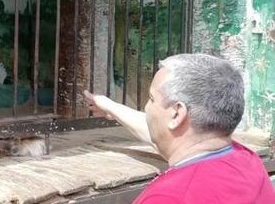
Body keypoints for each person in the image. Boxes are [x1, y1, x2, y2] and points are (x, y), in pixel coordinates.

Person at [83, 53, 275, 203]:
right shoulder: (247, 160)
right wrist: (111, 107)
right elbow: (168, 134)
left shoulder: (170, 197)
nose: (147, 107)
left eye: (151, 99)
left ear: (176, 114)